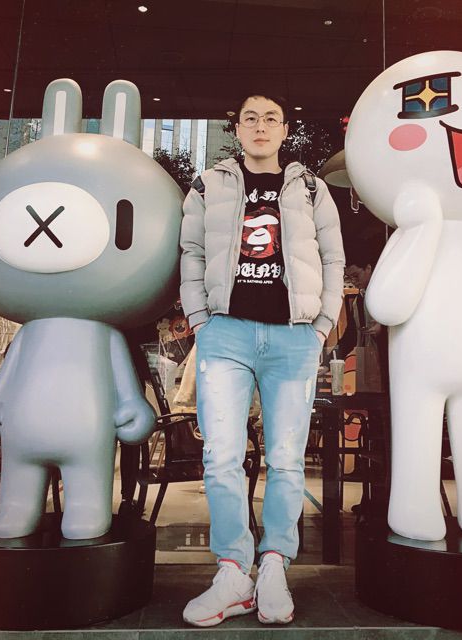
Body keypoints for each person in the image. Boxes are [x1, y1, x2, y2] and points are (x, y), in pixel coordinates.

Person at [179, 92, 345, 626]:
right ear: (237, 128)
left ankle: (274, 565)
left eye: (271, 118)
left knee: (287, 459)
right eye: (250, 118)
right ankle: (233, 572)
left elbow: (333, 258)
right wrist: (200, 319)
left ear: (285, 129)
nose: (260, 126)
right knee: (221, 456)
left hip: (294, 338)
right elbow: (192, 252)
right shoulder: (208, 185)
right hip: (225, 334)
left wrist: (322, 325)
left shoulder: (311, 188)